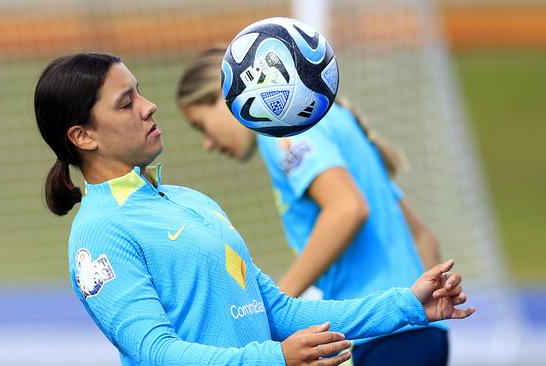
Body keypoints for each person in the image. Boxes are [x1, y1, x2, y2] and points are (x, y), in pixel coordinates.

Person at [34, 52, 474, 366]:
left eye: (140, 92)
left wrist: (408, 305)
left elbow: (278, 312)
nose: (149, 107)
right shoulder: (99, 232)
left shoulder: (193, 201)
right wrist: (276, 357)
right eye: (126, 102)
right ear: (83, 137)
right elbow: (155, 351)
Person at [177, 46, 452, 365]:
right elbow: (423, 238)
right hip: (422, 333)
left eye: (201, 125)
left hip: (380, 333)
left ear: (225, 96)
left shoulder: (281, 129)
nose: (207, 144)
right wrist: (426, 325)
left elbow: (347, 209)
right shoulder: (331, 118)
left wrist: (273, 307)